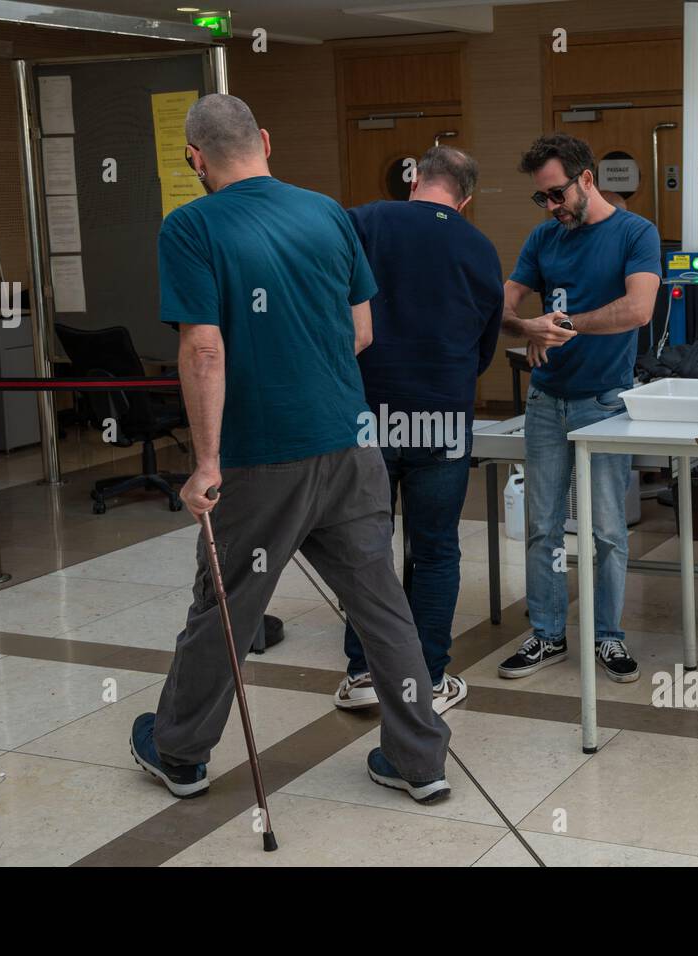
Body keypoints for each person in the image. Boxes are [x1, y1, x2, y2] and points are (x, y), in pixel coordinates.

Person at [130, 94, 451, 805]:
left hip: (258, 456)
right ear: (266, 140)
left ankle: (180, 751)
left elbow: (203, 347)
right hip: (348, 443)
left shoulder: (189, 227)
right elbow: (361, 332)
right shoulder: (328, 213)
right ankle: (419, 760)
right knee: (382, 607)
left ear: (194, 158)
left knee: (226, 606)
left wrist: (206, 462)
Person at [333, 146, 503, 714]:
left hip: (366, 416)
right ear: (466, 199)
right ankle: (427, 679)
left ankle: (363, 674)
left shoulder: (360, 222)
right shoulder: (478, 247)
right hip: (442, 419)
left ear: (415, 181)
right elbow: (483, 348)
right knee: (435, 552)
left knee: (366, 550)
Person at [495, 133, 662, 683]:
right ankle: (547, 634)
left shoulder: (636, 234)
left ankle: (607, 637)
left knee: (607, 529)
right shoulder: (546, 237)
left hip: (604, 402)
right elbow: (502, 304)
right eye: (541, 197)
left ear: (587, 179)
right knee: (542, 526)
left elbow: (638, 310)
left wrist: (565, 325)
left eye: (558, 194)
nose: (551, 206)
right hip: (547, 400)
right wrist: (525, 326)